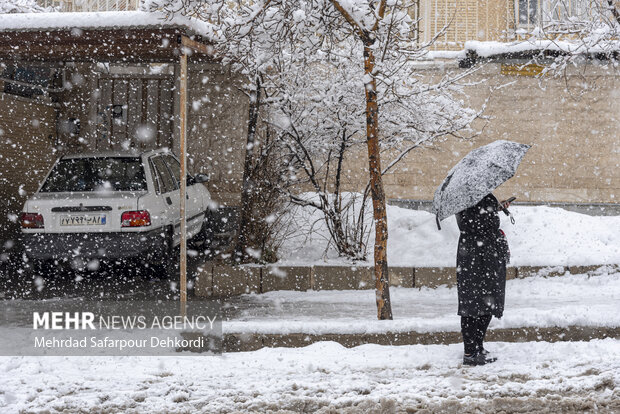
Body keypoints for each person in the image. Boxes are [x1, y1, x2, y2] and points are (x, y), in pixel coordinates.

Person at [455, 193, 511, 366]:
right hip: (474, 256)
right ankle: (470, 352)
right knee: (471, 305)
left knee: (487, 302)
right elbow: (470, 223)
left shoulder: (480, 194)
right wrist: (492, 211)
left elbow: (482, 220)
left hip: (486, 257)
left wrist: (497, 208)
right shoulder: (465, 197)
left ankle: (478, 346)